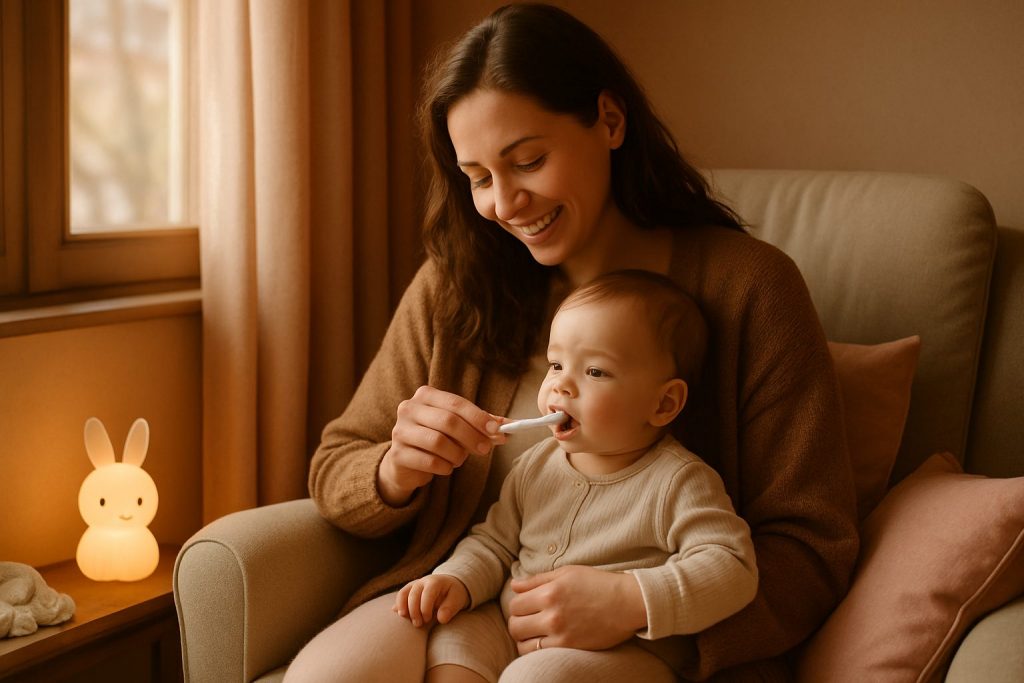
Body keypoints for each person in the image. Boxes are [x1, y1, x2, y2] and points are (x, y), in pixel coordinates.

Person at [288, 3, 858, 681]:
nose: (503, 203)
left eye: (527, 160)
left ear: (610, 122)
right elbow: (335, 467)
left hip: (650, 642)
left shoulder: (751, 288)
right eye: (477, 178)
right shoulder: (457, 284)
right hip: (478, 603)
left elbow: (812, 547)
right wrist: (394, 470)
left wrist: (631, 605)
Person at [394, 270, 759, 683]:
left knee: (538, 677)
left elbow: (732, 568)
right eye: (556, 364)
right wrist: (456, 578)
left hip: (624, 652)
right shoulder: (536, 464)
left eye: (596, 372)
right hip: (514, 625)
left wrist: (632, 599)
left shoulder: (679, 482)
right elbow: (494, 545)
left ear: (664, 404)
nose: (560, 385)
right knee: (452, 641)